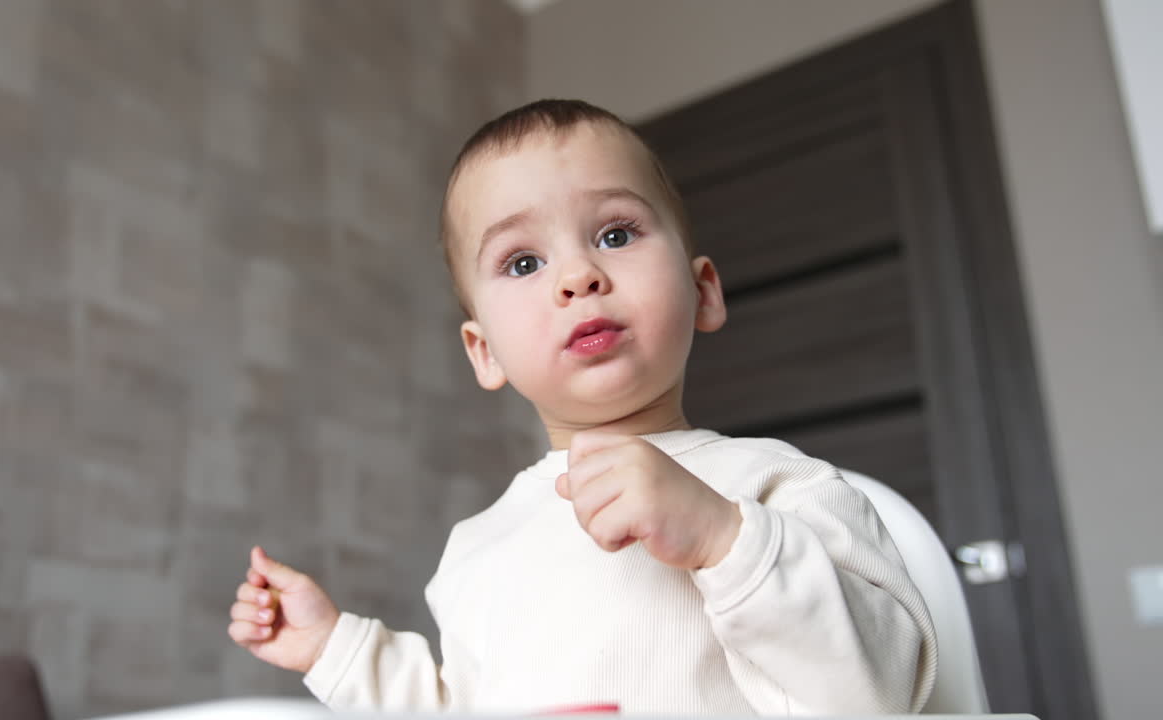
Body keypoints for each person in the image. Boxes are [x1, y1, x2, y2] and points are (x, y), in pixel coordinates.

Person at [228, 99, 938, 715]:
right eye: (523, 262)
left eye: (616, 234)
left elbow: (878, 698)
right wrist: (333, 648)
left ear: (705, 292)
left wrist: (723, 538)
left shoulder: (783, 490)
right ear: (486, 353)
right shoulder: (478, 550)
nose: (579, 276)